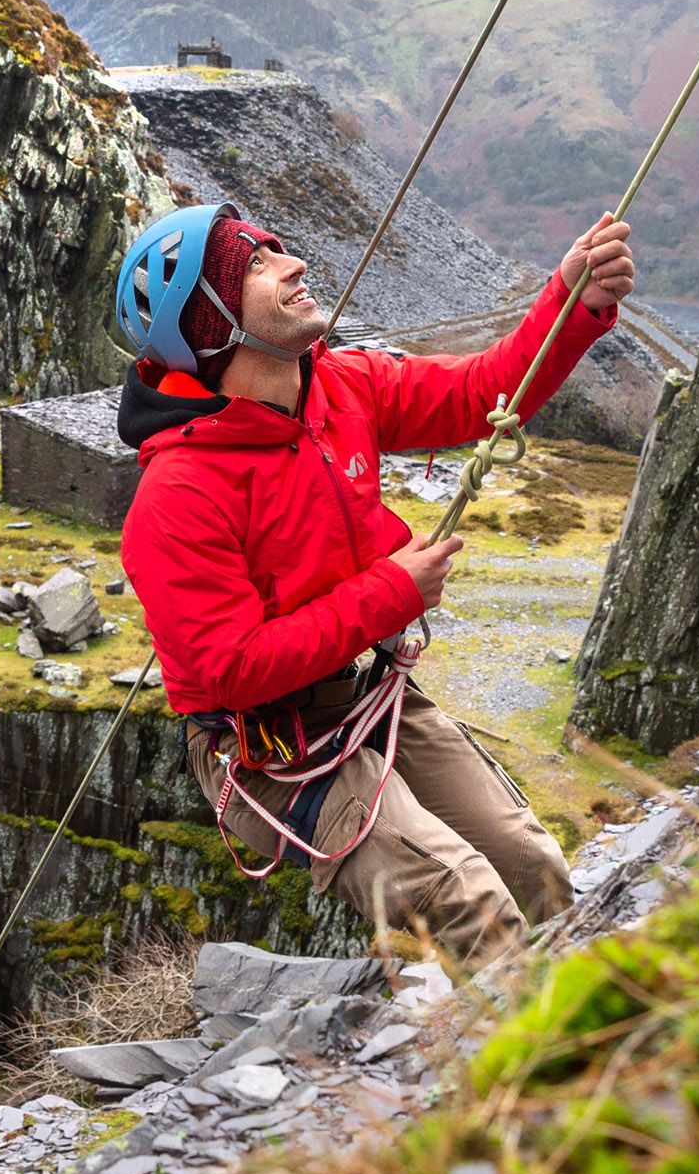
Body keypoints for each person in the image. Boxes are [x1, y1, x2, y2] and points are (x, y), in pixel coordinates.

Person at [113, 202, 634, 962]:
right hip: (267, 747)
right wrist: (391, 593)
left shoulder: (341, 387)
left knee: (533, 868)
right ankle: (534, 1073)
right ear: (210, 321)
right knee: (471, 904)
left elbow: (479, 394)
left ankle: (598, 1029)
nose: (291, 264)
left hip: (362, 693)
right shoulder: (178, 496)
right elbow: (229, 670)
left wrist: (572, 301)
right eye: (254, 264)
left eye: (277, 247)